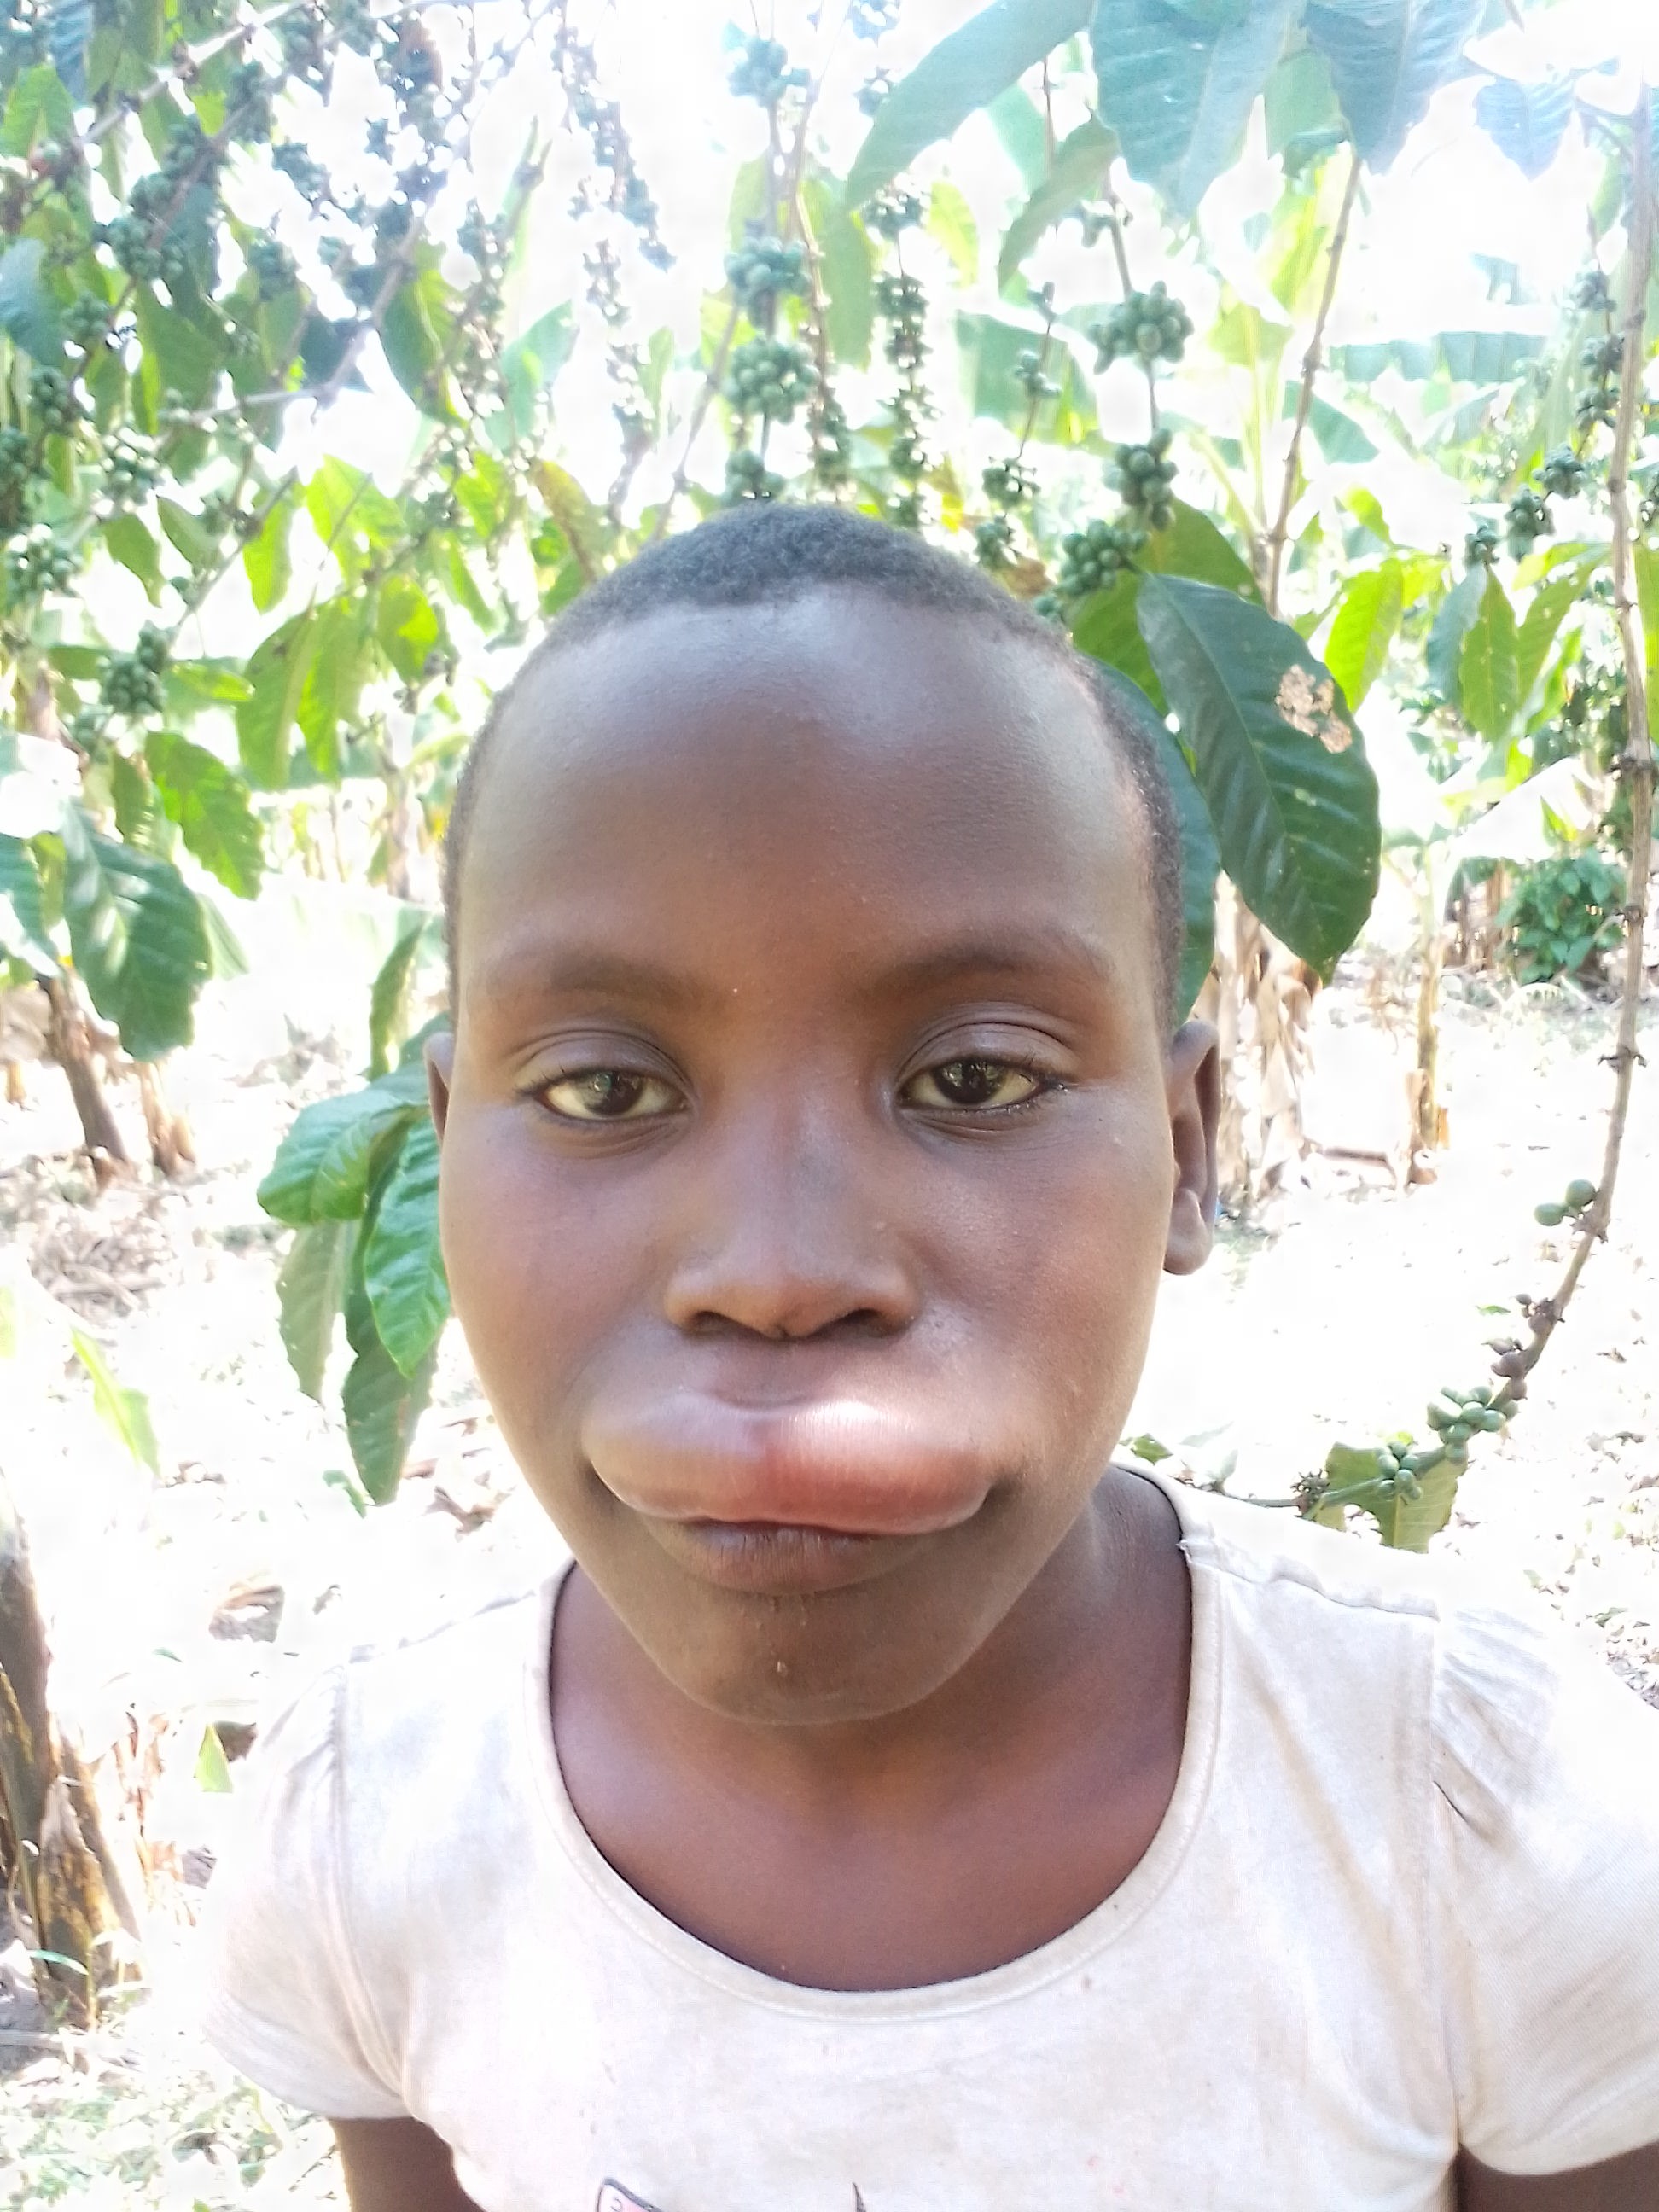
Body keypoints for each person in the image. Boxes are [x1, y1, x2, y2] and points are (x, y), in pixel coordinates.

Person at [201, 504, 1659, 2212]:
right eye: (604, 1090)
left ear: (1186, 1150)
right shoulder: (366, 1826)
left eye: (975, 1080)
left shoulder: (1478, 1807)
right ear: (450, 1150)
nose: (781, 1272)